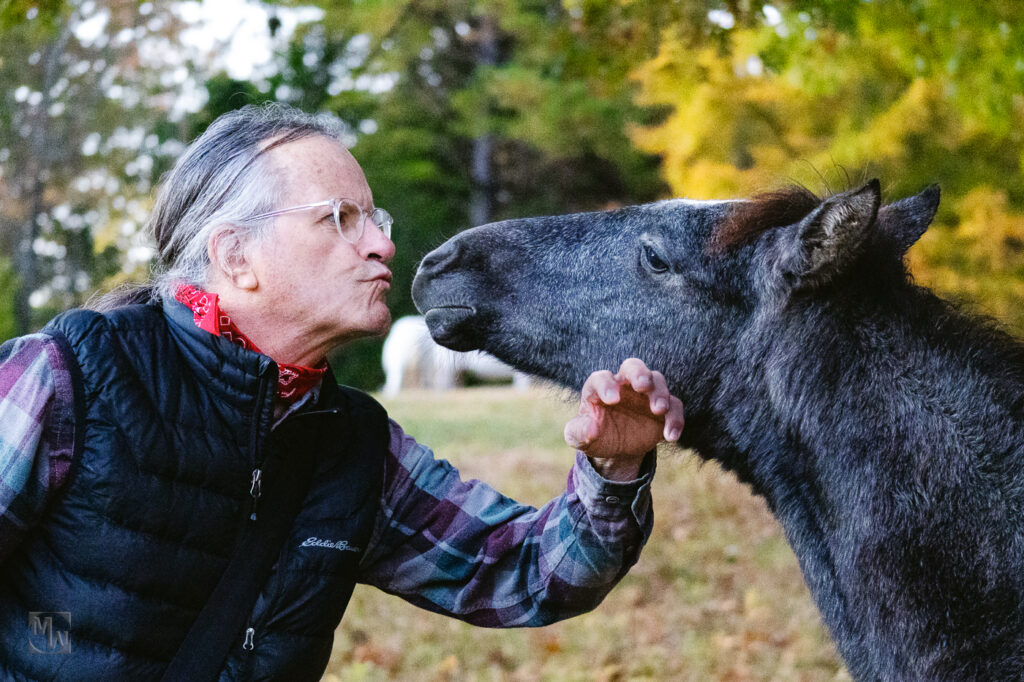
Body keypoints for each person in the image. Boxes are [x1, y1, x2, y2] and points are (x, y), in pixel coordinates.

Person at [0, 104, 684, 681]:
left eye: (376, 221)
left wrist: (613, 471)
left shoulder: (356, 449)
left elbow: (526, 572)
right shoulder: (69, 379)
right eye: (340, 218)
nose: (382, 246)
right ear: (235, 256)